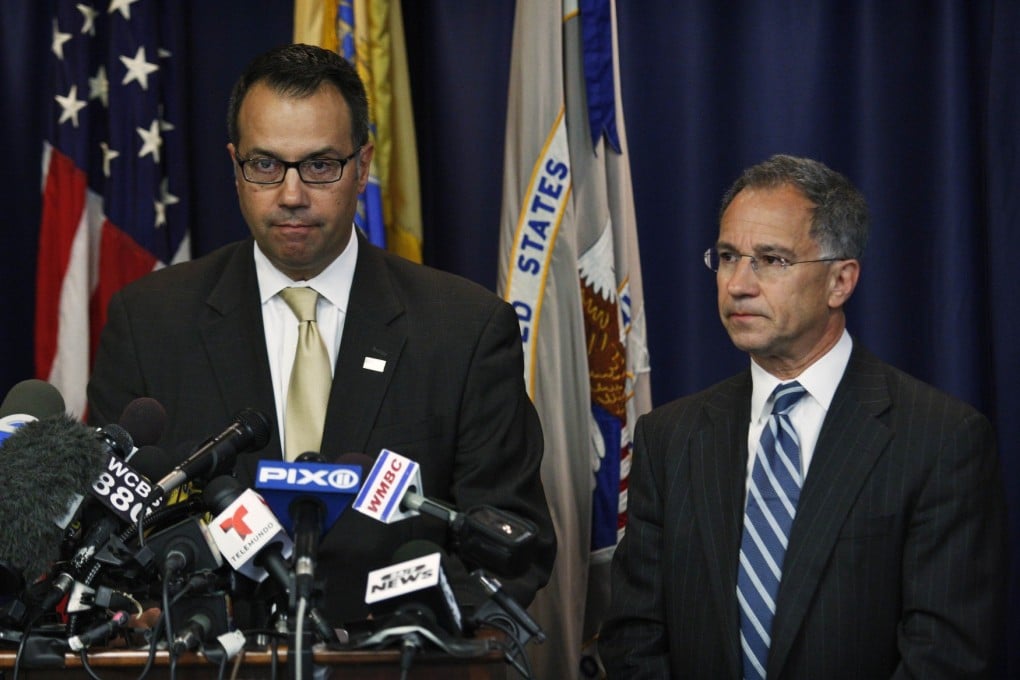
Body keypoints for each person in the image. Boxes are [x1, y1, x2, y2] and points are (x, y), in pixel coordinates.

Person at [87, 43, 555, 624]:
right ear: (235, 166)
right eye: (265, 165)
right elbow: (108, 536)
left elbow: (512, 541)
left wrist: (396, 640)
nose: (291, 195)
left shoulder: (463, 329)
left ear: (362, 166)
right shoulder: (150, 322)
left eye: (320, 166)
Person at [599, 155, 1007, 677]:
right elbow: (633, 637)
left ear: (840, 281)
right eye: (728, 257)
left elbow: (943, 658)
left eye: (772, 260)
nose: (738, 284)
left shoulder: (940, 439)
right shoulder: (668, 437)